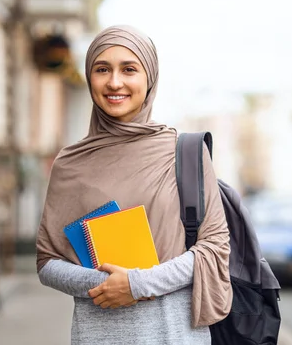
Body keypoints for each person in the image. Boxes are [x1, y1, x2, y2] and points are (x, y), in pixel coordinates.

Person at [36, 25, 232, 344]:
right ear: (89, 77)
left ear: (149, 77)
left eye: (129, 69)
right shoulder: (69, 163)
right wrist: (105, 284)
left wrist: (136, 285)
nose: (115, 82)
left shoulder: (185, 153)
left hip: (174, 336)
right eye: (102, 69)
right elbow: (47, 263)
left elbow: (214, 247)